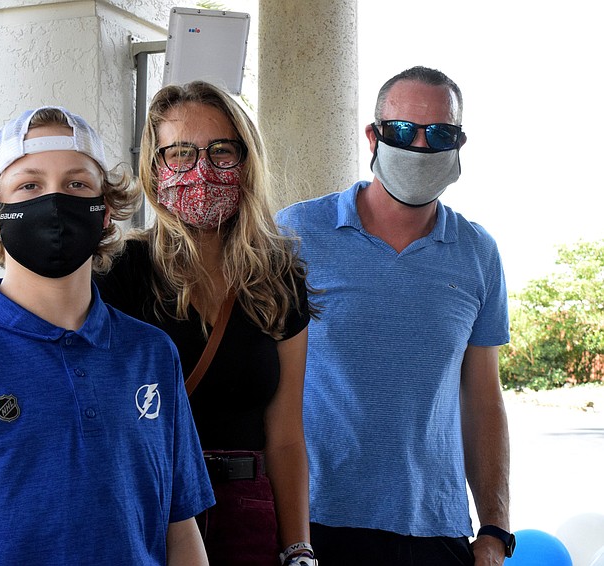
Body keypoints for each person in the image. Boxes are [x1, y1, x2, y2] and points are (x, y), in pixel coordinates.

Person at [0, 106, 215, 565]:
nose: (55, 203)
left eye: (77, 184)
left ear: (106, 213)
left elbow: (180, 528)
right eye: (29, 185)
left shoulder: (151, 353)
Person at [277, 66, 513, 565]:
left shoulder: (478, 253)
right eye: (404, 131)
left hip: (436, 529)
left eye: (440, 134)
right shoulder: (297, 233)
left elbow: (483, 400)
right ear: (373, 136)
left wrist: (495, 528)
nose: (421, 147)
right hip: (314, 526)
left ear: (459, 143)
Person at [94, 81, 317, 566]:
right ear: (155, 167)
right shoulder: (120, 272)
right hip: (150, 507)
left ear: (246, 161)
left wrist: (298, 549)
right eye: (179, 153)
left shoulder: (279, 276)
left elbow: (285, 433)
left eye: (220, 151)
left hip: (246, 512)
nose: (200, 169)